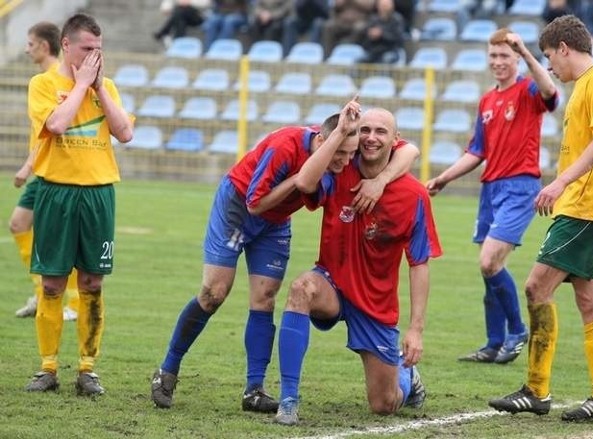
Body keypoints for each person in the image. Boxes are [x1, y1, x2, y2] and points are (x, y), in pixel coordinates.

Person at [150, 103, 420, 410]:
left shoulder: (348, 145)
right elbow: (256, 203)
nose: (347, 162)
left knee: (265, 298)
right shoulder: (285, 146)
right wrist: (294, 180)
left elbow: (409, 150)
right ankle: (167, 369)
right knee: (214, 292)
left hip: (276, 222)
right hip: (239, 208)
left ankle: (254, 390)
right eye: (340, 155)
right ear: (323, 140)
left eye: (350, 154)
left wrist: (381, 179)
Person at [489, 14, 593, 422]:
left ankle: (536, 390)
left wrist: (559, 183)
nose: (549, 66)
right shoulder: (586, 86)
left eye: (550, 56)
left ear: (565, 48)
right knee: (590, 300)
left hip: (582, 207)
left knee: (535, 287)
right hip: (591, 209)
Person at [274, 105, 442, 426]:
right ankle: (288, 400)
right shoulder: (339, 169)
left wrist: (416, 329)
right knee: (301, 289)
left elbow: (419, 263)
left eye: (381, 132)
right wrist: (340, 131)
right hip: (332, 284)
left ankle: (406, 376)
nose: (371, 138)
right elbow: (306, 184)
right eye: (365, 130)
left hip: (375, 303)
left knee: (383, 405)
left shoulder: (415, 195)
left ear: (396, 141)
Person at [427, 28, 558, 365]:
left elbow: (550, 91)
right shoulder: (487, 100)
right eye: (494, 56)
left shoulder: (528, 88)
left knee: (489, 262)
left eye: (505, 55)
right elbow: (476, 152)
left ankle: (516, 332)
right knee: (489, 268)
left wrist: (527, 52)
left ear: (516, 58)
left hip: (520, 186)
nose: (499, 61)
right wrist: (443, 178)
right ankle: (493, 342)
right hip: (491, 189)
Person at [25, 13, 134, 395]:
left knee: (92, 281)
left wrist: (99, 88)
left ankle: (88, 369)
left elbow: (125, 132)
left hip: (98, 193)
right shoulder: (42, 84)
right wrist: (81, 85)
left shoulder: (108, 88)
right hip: (56, 191)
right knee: (53, 283)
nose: (94, 57)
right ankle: (48, 367)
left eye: (99, 50)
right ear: (67, 46)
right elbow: (55, 125)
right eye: (88, 49)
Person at [12, 22, 80, 322]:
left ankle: (75, 304)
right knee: (19, 224)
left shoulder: (54, 81)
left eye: (30, 43)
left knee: (62, 240)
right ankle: (42, 292)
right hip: (42, 170)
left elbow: (52, 131)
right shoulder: (43, 80)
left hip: (54, 171)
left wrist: (27, 167)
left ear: (44, 45)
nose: (26, 49)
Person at [357, 0, 405, 65]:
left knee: (386, 59)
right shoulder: (373, 19)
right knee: (359, 61)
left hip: (390, 50)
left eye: (386, 5)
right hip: (374, 51)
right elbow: (365, 35)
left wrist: (381, 34)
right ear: (378, 6)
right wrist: (371, 34)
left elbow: (398, 38)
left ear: (392, 6)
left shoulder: (397, 19)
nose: (384, 7)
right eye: (382, 5)